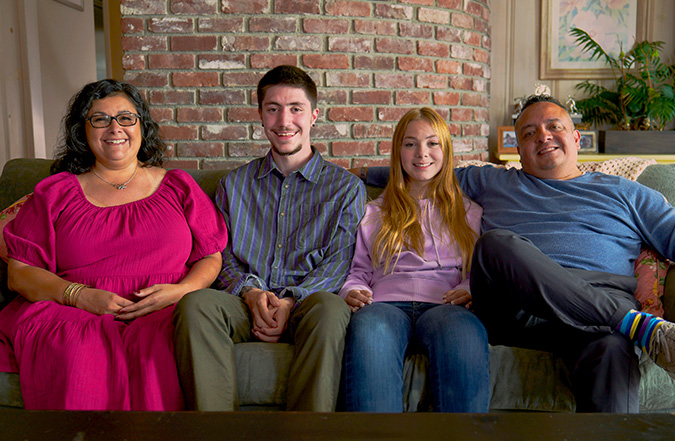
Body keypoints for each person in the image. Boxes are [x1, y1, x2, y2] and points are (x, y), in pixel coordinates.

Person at [363, 94, 675, 413]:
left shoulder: (628, 193)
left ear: (577, 137)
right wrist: (350, 177)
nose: (543, 136)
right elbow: (423, 169)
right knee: (496, 243)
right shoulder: (492, 181)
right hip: (516, 311)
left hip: (595, 315)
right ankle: (638, 326)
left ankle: (625, 330)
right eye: (529, 133)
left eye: (554, 126)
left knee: (612, 348)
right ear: (518, 149)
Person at [0, 79, 228, 410]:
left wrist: (182, 291)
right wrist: (78, 295)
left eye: (126, 117)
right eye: (100, 118)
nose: (114, 128)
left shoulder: (179, 186)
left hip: (163, 308)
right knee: (77, 349)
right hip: (73, 310)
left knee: (163, 348)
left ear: (141, 126)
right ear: (84, 129)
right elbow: (20, 272)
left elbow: (210, 255)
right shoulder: (56, 192)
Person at [173, 65, 366, 412]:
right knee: (195, 304)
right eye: (273, 108)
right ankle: (215, 434)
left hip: (309, 304)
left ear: (314, 115)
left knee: (331, 309)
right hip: (245, 303)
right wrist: (250, 293)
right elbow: (222, 255)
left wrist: (290, 302)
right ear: (261, 116)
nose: (284, 120)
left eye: (295, 109)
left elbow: (340, 261)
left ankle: (307, 437)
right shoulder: (235, 184)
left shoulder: (346, 188)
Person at [339, 108, 489, 412]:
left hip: (446, 305)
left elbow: (478, 269)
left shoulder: (470, 211)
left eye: (432, 143)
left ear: (446, 151)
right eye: (410, 144)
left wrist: (470, 288)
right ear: (398, 152)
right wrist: (351, 290)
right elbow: (358, 270)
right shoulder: (374, 212)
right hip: (384, 304)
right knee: (369, 331)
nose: (422, 153)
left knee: (463, 335)